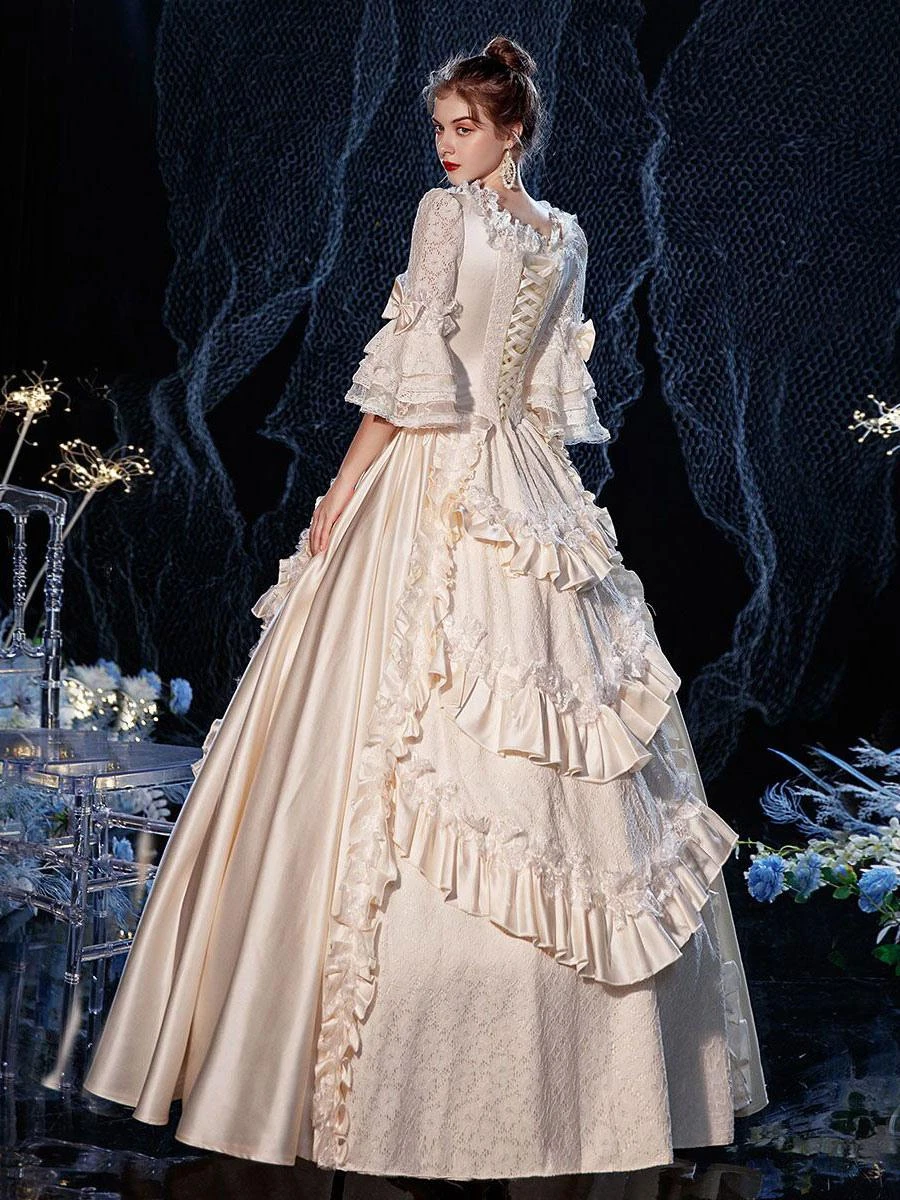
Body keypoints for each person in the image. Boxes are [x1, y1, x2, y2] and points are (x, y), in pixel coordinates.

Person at [82, 34, 768, 1180]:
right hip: (528, 484)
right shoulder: (566, 236)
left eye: (464, 127)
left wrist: (340, 492)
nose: (446, 148)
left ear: (511, 129)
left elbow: (413, 374)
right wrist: (537, 506)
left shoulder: (449, 219)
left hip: (442, 480)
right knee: (562, 747)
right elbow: (543, 397)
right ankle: (587, 1101)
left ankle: (382, 1089)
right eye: (440, 129)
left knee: (414, 742)